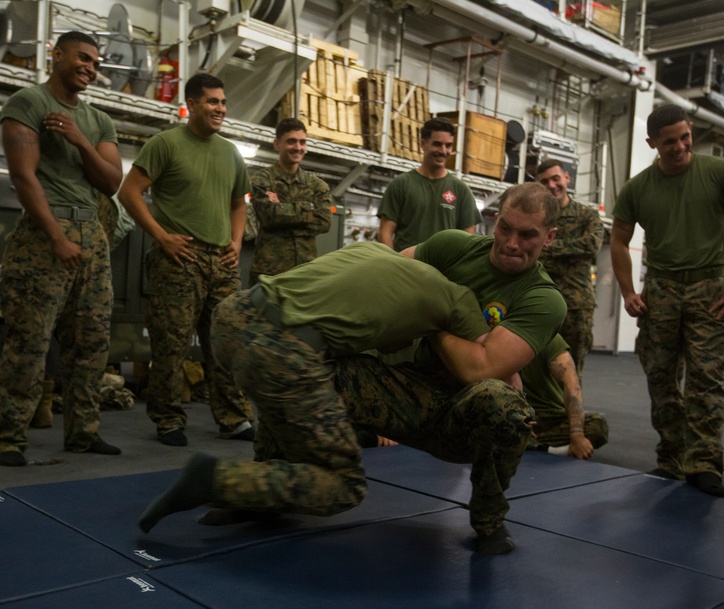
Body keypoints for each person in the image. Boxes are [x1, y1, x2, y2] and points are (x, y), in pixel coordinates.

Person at [138, 242, 505, 551]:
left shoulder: (376, 251)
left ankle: (254, 503)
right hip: (281, 349)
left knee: (291, 411)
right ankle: (218, 481)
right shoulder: (459, 298)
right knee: (344, 485)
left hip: (234, 315)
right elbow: (492, 372)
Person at [335, 182, 567, 553]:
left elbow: (479, 369)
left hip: (463, 419)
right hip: (409, 390)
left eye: (527, 235)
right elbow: (386, 273)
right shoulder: (452, 247)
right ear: (495, 220)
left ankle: (488, 517)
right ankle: (270, 484)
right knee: (319, 365)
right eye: (505, 228)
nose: (510, 243)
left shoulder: (544, 298)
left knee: (505, 405)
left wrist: (432, 318)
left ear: (550, 237)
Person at [610, 104, 724, 498]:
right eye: (668, 141)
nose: (679, 146)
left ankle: (705, 464)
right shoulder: (638, 188)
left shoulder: (720, 172)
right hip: (660, 290)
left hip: (710, 288)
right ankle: (672, 456)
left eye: (684, 137)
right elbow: (619, 240)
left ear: (690, 131)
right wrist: (628, 291)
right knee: (660, 378)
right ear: (652, 144)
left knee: (705, 378)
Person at [0, 31, 123, 467]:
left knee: (91, 343)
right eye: (82, 58)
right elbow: (24, 177)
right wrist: (56, 237)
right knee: (29, 342)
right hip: (44, 237)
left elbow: (111, 182)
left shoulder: (98, 120)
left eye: (96, 63)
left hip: (92, 237)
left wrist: (79, 139)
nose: (90, 67)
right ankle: (10, 437)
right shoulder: (28, 103)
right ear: (58, 55)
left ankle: (83, 433)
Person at [118, 73, 255, 448]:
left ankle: (234, 417)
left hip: (222, 263)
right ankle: (167, 418)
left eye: (223, 102)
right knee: (172, 344)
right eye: (212, 102)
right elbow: (129, 192)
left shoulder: (230, 152)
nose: (220, 109)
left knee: (228, 340)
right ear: (191, 104)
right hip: (179, 259)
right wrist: (161, 236)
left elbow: (237, 202)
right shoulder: (165, 144)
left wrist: (236, 240)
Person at [536, 158, 603, 380]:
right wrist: (571, 249)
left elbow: (592, 244)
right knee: (536, 370)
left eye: (556, 179)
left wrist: (550, 246)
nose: (552, 185)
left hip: (576, 306)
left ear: (567, 178)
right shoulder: (538, 217)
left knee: (572, 372)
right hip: (540, 301)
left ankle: (571, 416)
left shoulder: (586, 215)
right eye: (545, 181)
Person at [248, 118, 331, 285]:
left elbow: (325, 222)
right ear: (277, 144)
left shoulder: (317, 185)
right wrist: (308, 210)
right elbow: (269, 216)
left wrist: (282, 209)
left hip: (304, 272)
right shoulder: (262, 180)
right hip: (268, 273)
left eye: (302, 142)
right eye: (291, 142)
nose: (298, 147)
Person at [377, 117, 480, 251]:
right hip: (406, 268)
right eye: (437, 144)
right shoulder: (401, 184)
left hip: (442, 270)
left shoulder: (461, 190)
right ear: (422, 144)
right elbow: (385, 233)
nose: (443, 151)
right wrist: (394, 264)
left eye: (448, 145)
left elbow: (468, 240)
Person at [520, 335, 608, 459]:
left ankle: (529, 444)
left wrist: (577, 434)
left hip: (551, 417)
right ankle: (545, 448)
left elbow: (572, 385)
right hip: (517, 417)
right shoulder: (498, 340)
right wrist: (519, 421)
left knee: (597, 425)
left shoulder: (549, 339)